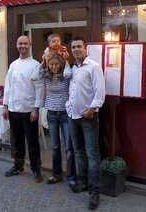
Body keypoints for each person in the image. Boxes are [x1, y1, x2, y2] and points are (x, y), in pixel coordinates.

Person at [65, 37, 105, 210]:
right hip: (73, 116)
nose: (76, 49)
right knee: (78, 152)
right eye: (73, 47)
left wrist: (93, 108)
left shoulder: (94, 67)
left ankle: (94, 193)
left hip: (88, 117)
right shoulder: (72, 69)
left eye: (79, 46)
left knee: (92, 155)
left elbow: (100, 91)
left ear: (85, 48)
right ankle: (83, 183)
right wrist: (68, 106)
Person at [2, 35, 44, 183]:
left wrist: (36, 108)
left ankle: (36, 169)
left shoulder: (36, 65)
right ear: (16, 45)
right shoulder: (13, 65)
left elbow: (39, 89)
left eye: (25, 43)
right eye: (20, 43)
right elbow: (8, 86)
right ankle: (18, 166)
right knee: (17, 141)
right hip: (13, 109)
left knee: (32, 141)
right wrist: (5, 106)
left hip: (29, 110)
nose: (23, 46)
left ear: (30, 45)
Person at [35, 53, 76, 187]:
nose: (53, 66)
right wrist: (43, 61)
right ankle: (57, 174)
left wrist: (66, 61)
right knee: (55, 146)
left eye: (56, 64)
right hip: (52, 114)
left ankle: (71, 176)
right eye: (51, 64)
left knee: (68, 147)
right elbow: (34, 76)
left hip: (65, 114)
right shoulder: (46, 76)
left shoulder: (65, 76)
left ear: (61, 64)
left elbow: (69, 73)